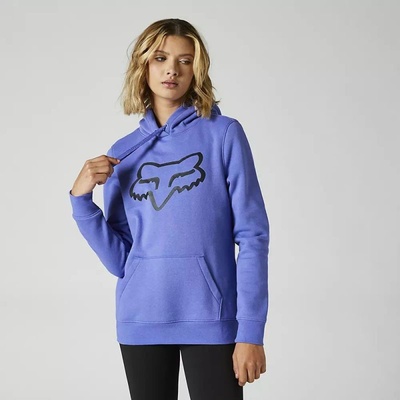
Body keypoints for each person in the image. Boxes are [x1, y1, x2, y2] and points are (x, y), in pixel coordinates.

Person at [69, 18, 270, 400]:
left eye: (185, 60)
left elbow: (253, 237)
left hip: (212, 319)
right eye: (160, 58)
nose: (172, 70)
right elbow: (121, 261)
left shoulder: (223, 134)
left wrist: (250, 331)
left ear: (197, 69)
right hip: (141, 320)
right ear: (143, 65)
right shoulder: (124, 151)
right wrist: (82, 203)